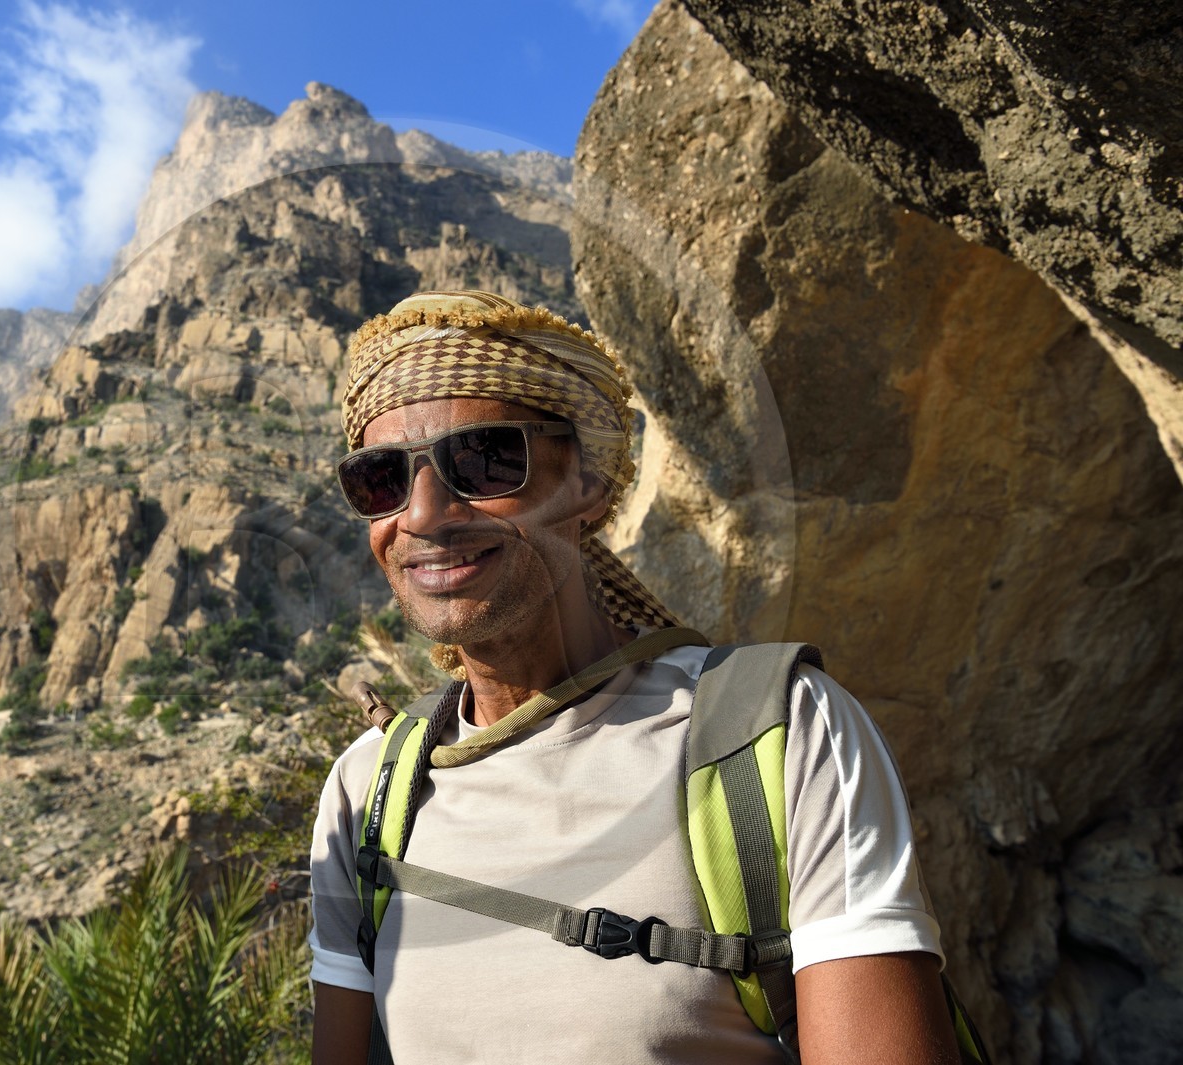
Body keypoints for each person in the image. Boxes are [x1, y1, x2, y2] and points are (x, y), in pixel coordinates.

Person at [307, 290, 962, 1064]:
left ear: (586, 482)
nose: (423, 513)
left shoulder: (777, 738)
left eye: (483, 459)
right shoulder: (369, 792)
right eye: (381, 479)